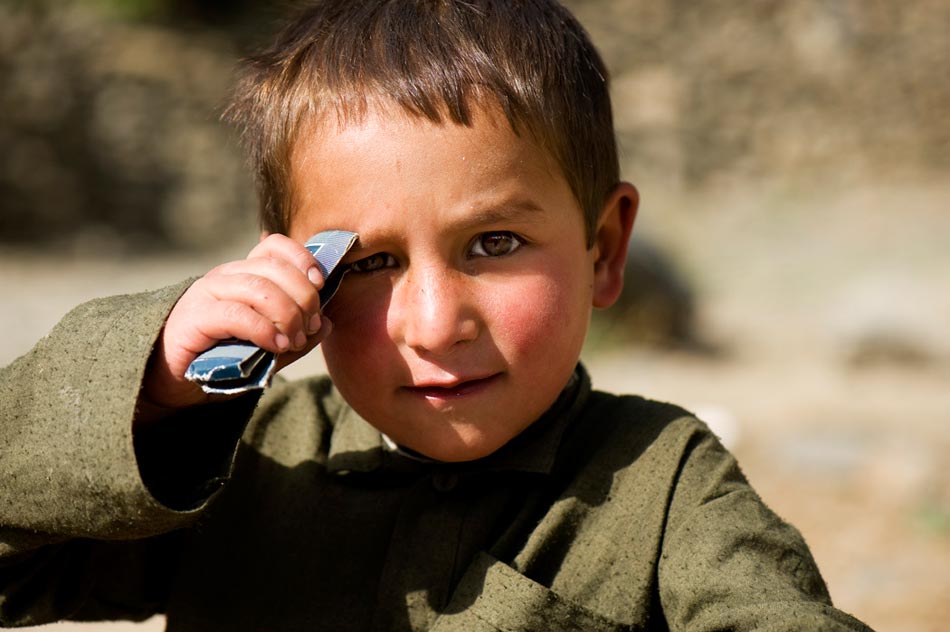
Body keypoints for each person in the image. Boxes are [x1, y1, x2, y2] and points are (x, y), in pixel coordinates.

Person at [0, 1, 873, 630]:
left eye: (493, 243)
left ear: (604, 249)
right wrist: (145, 390)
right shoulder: (241, 466)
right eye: (370, 262)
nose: (433, 323)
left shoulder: (663, 487)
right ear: (297, 274)